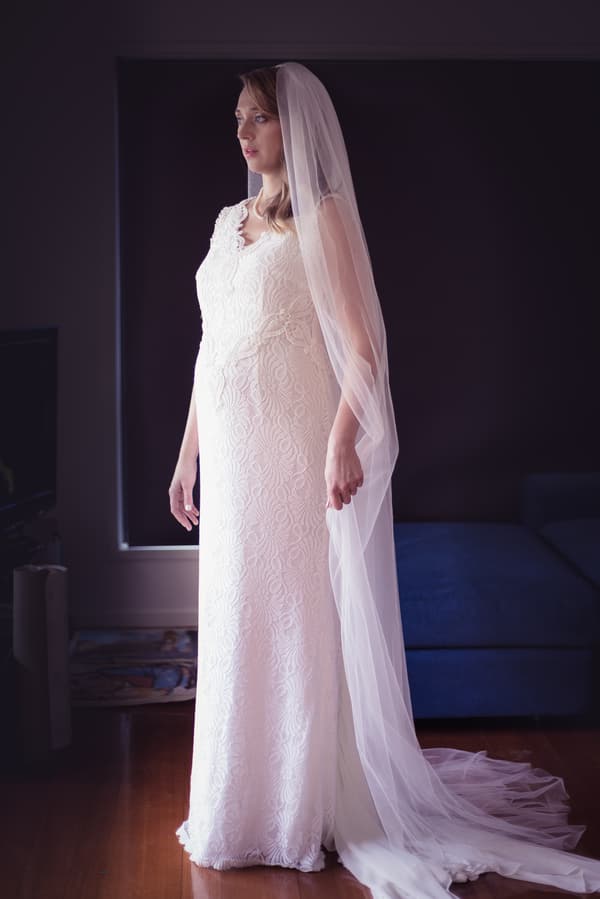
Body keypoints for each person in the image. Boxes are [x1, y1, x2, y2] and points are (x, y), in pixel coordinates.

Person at [171, 61, 600, 899]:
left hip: (293, 454)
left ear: (290, 126)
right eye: (238, 119)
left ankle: (299, 809)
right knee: (237, 615)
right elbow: (208, 347)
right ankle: (238, 804)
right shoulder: (229, 223)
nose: (242, 134)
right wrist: (187, 454)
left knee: (295, 621)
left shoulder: (321, 219)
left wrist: (341, 442)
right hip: (234, 455)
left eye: (256, 118)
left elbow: (364, 351)